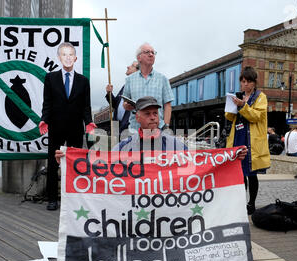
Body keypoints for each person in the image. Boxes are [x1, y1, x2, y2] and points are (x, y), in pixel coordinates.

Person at [56, 96, 248, 161]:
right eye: (147, 113)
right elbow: (100, 166)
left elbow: (200, 161)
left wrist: (231, 157)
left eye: (155, 113)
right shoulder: (124, 147)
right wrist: (69, 160)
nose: (153, 117)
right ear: (137, 117)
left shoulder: (174, 144)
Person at [39, 42, 96, 211]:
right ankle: (52, 199)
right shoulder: (50, 78)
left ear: (75, 58)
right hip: (56, 127)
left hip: (75, 129)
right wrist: (44, 119)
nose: (68, 57)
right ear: (59, 57)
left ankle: (73, 198)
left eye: (71, 54)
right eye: (64, 54)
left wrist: (89, 122)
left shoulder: (83, 81)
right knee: (52, 163)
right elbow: (47, 103)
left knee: (75, 163)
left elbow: (86, 106)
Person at [225, 66, 270, 215]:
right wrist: (231, 107)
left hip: (252, 140)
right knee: (240, 173)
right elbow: (230, 117)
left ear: (254, 82)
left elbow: (256, 116)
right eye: (243, 81)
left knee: (252, 174)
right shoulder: (238, 95)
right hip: (239, 136)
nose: (245, 84)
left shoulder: (260, 97)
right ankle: (240, 202)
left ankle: (251, 203)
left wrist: (242, 106)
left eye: (248, 81)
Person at [122, 43, 174, 133]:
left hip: (158, 129)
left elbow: (168, 105)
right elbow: (125, 104)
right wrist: (127, 106)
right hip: (135, 130)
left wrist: (166, 126)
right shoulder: (129, 80)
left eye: (153, 53)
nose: (151, 54)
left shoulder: (163, 79)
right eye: (147, 52)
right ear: (139, 58)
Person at [105, 61, 139, 135]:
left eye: (132, 66)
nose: (128, 67)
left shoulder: (139, 87)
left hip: (128, 128)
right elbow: (115, 104)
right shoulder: (125, 86)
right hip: (117, 126)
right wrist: (109, 93)